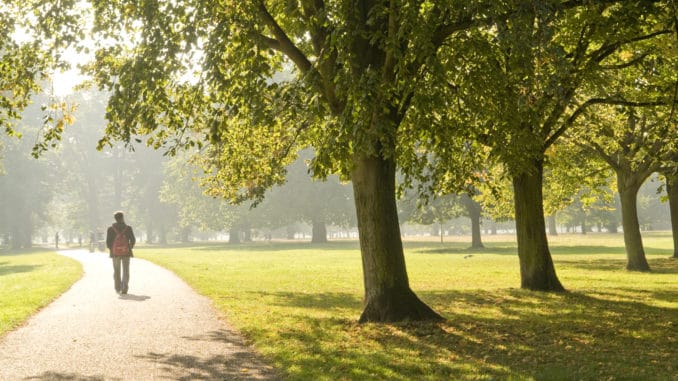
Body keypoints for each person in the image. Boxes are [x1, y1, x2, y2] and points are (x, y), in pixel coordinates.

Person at [106, 211, 136, 295]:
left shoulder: (110, 229)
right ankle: (124, 288)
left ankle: (117, 287)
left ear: (115, 218)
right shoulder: (128, 228)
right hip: (126, 252)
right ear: (122, 217)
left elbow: (108, 242)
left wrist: (112, 250)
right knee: (126, 270)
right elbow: (133, 240)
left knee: (116, 270)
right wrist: (129, 248)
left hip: (115, 253)